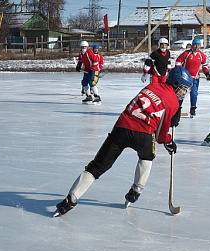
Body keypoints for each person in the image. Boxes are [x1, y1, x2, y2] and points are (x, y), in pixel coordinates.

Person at [53, 67, 193, 217]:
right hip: (144, 134)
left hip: (122, 127)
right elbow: (160, 135)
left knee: (96, 167)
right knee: (147, 157)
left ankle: (69, 201)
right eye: (183, 88)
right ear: (176, 83)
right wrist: (168, 141)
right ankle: (135, 191)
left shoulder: (151, 85)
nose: (184, 93)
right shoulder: (173, 101)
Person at [175, 38, 210, 118]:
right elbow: (178, 61)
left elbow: (204, 66)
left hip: (195, 78)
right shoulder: (187, 53)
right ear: (192, 45)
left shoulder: (201, 55)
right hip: (184, 79)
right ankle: (177, 109)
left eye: (198, 45)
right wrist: (179, 71)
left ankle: (193, 108)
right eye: (195, 45)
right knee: (181, 94)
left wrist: (207, 74)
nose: (197, 47)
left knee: (194, 93)